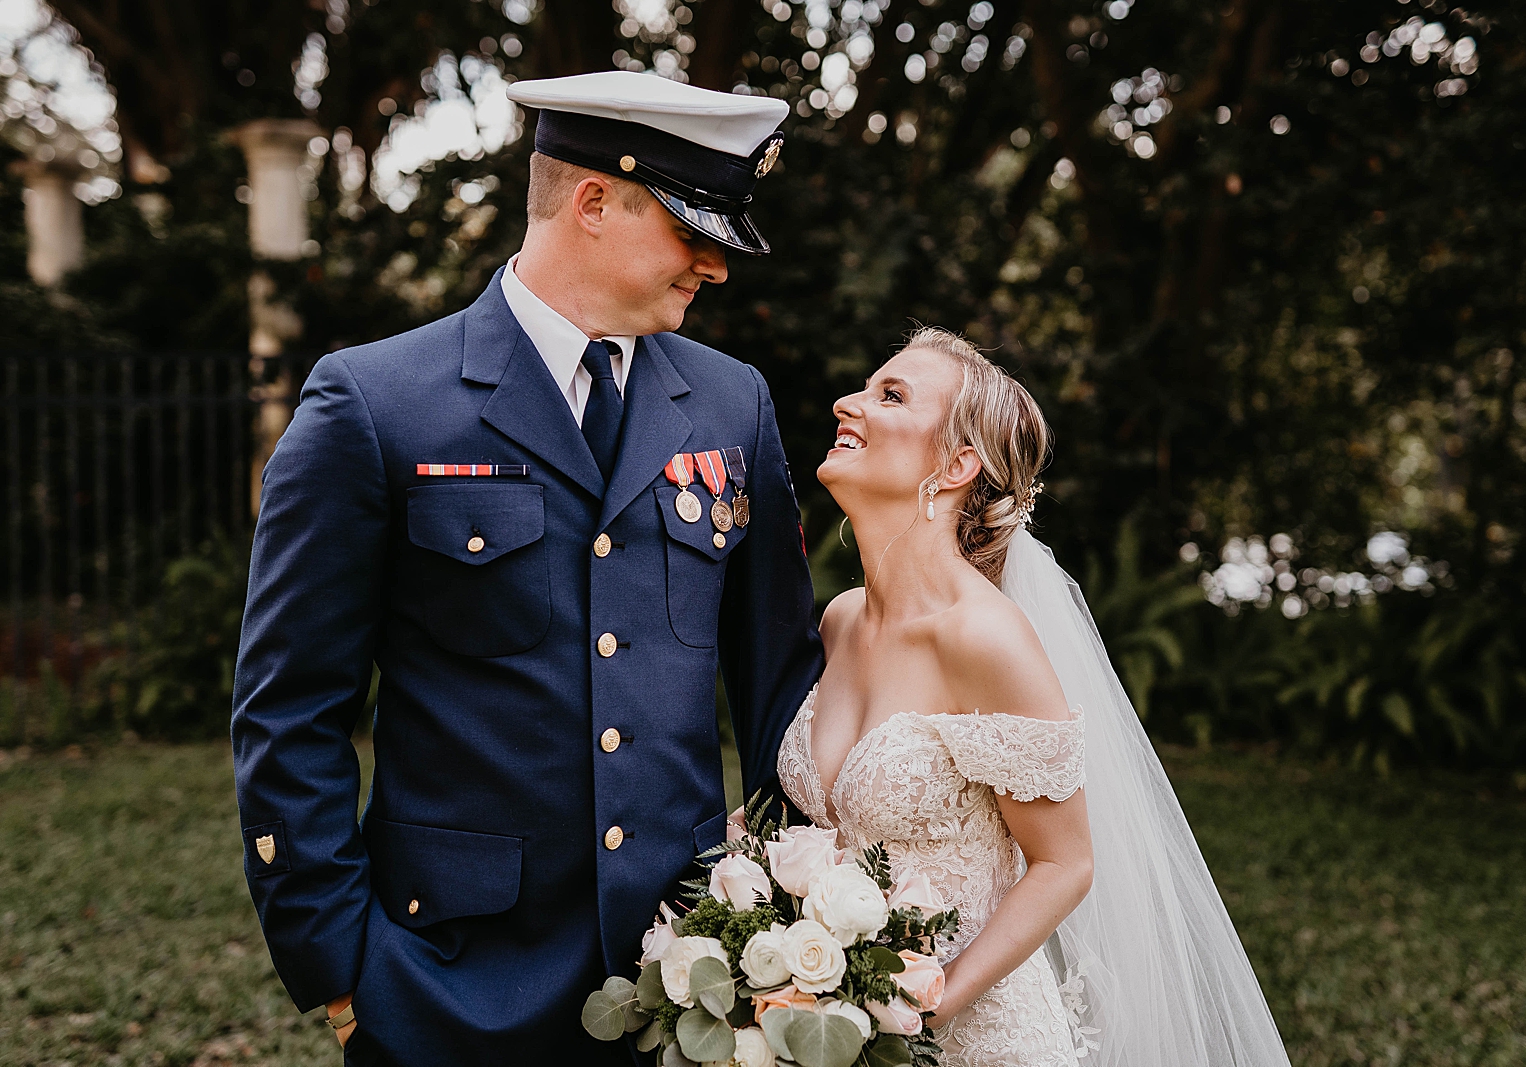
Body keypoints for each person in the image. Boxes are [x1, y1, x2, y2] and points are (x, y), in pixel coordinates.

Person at [231, 71, 823, 1066]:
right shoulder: (376, 404)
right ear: (593, 202)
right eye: (692, 230)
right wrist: (342, 969)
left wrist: (789, 925)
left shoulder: (734, 404)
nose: (714, 267)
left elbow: (783, 689)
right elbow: (288, 709)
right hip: (447, 983)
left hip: (690, 982)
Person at [777, 327, 1292, 1065]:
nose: (846, 403)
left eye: (889, 395)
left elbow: (1064, 864)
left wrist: (933, 1003)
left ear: (956, 464)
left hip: (965, 1037)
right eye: (866, 386)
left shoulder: (985, 639)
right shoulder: (841, 619)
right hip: (829, 1024)